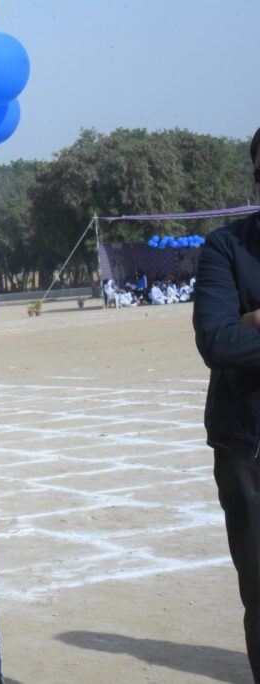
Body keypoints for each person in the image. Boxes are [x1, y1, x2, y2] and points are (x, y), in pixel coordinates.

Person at [193, 125, 260, 684]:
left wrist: (255, 320)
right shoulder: (225, 248)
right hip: (247, 445)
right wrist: (240, 328)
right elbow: (217, 341)